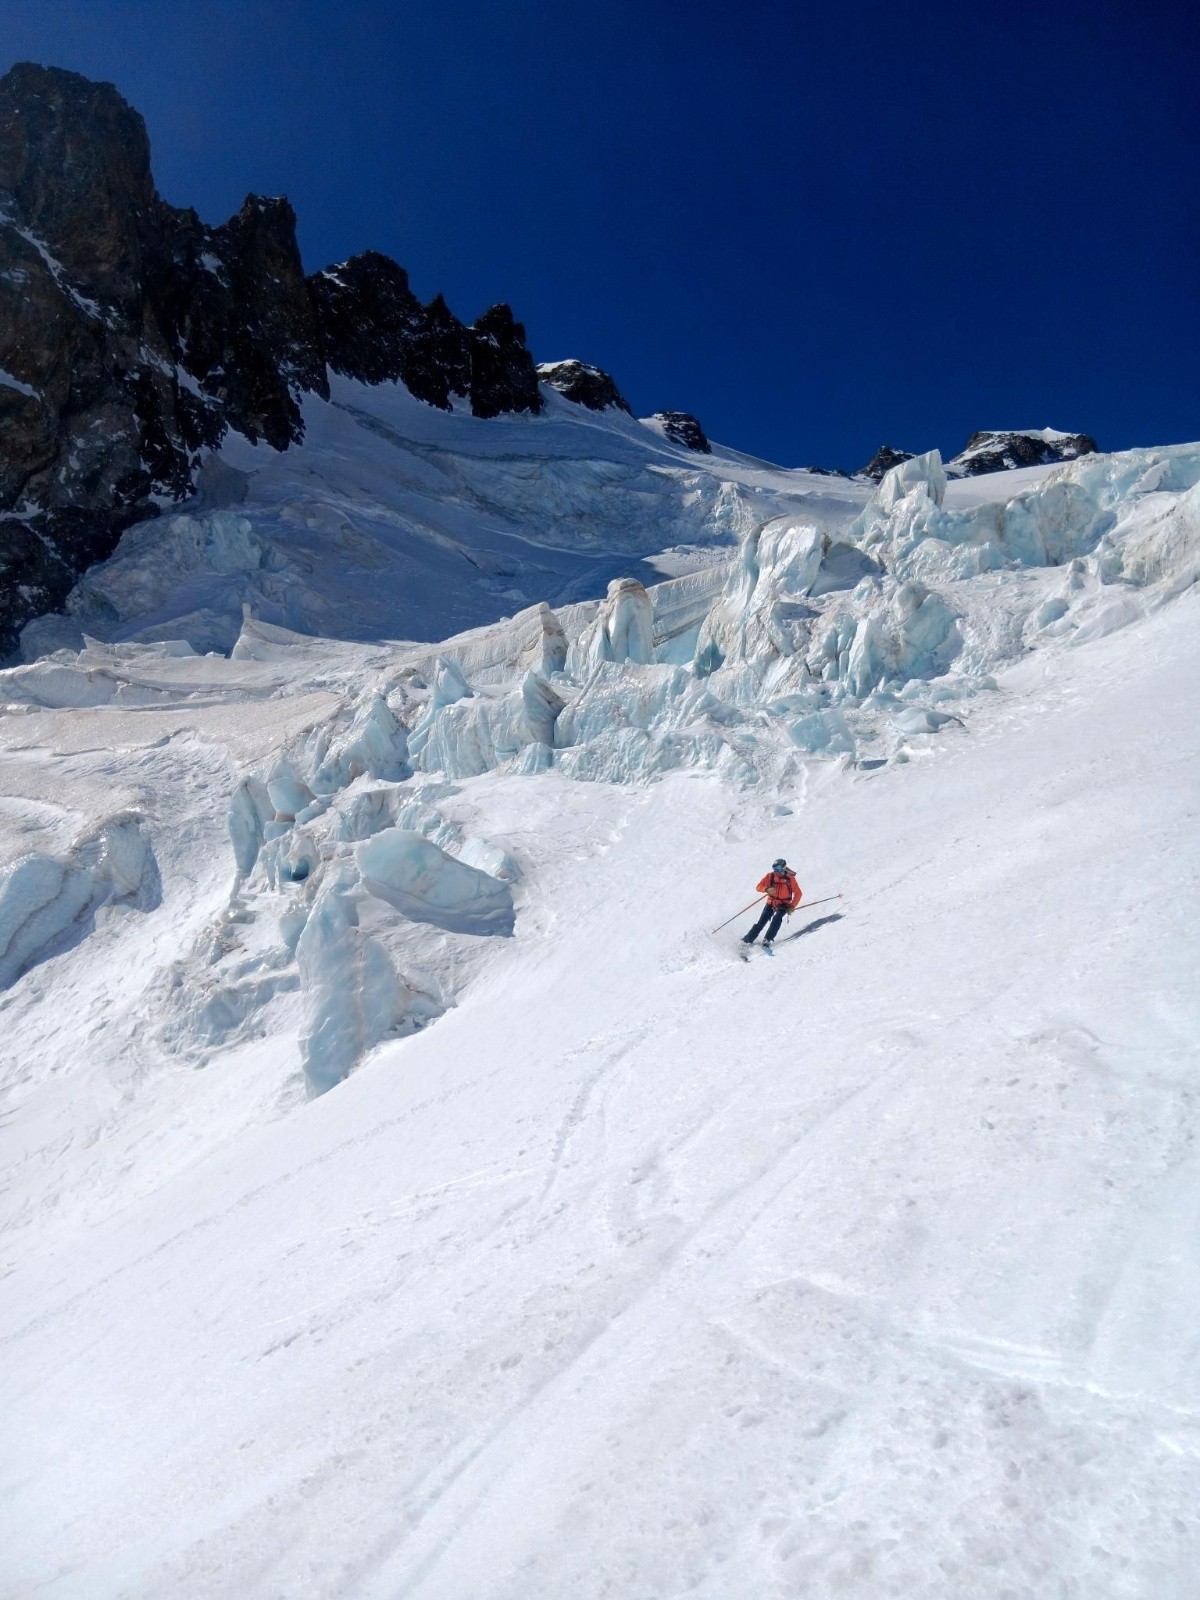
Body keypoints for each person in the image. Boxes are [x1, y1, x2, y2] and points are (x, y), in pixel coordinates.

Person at [742, 858, 802, 946]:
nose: (777, 872)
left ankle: (768, 940)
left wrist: (792, 906)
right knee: (761, 922)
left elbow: (798, 893)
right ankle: (747, 940)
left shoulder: (790, 879)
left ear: (784, 868)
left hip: (784, 904)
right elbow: (758, 887)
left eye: (780, 869)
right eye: (775, 869)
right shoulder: (770, 876)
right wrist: (767, 889)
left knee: (777, 919)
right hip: (771, 902)